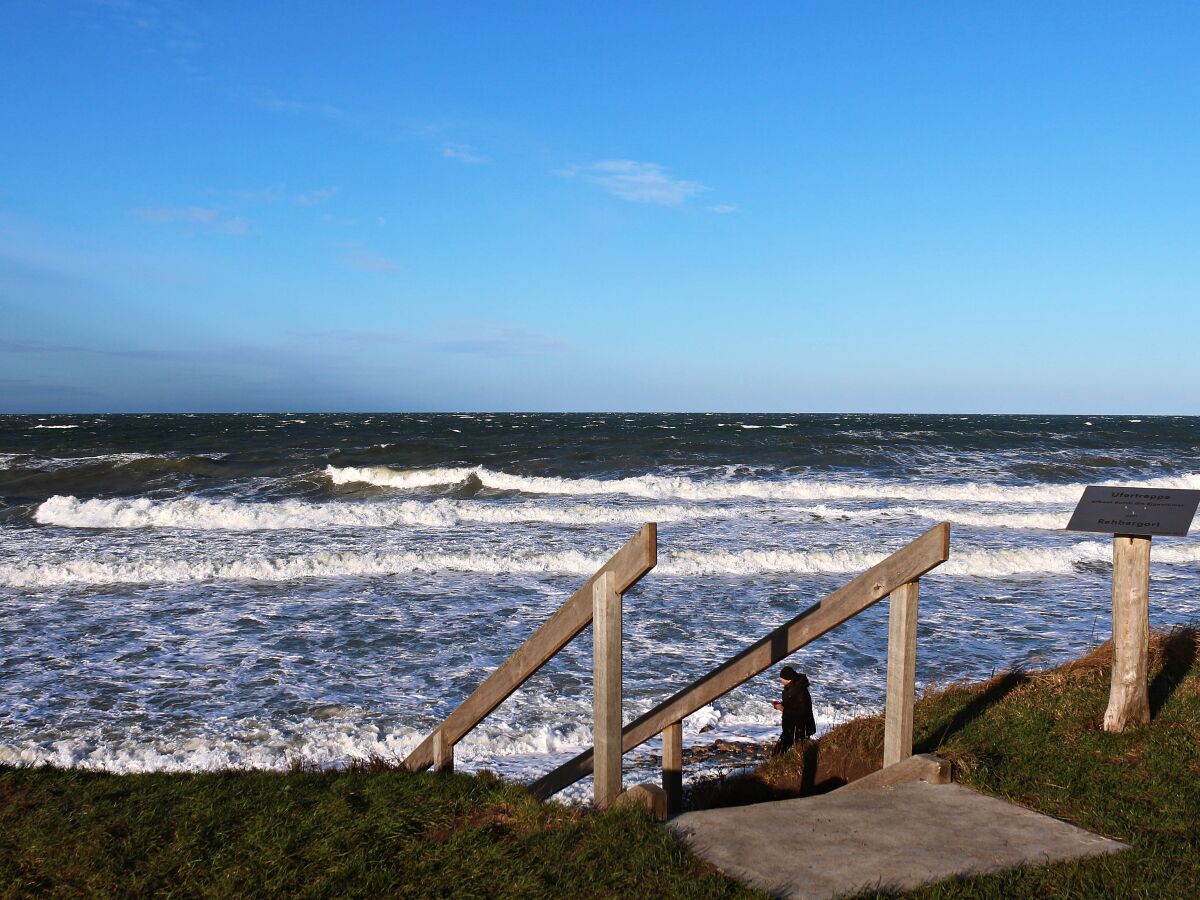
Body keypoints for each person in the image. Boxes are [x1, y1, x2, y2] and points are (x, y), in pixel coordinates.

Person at [771, 665, 816, 755]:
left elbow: (801, 711)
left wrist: (783, 709)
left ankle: (781, 766)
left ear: (788, 679)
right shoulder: (792, 687)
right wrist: (780, 705)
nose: (780, 680)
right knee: (783, 750)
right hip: (792, 727)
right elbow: (793, 704)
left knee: (778, 753)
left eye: (781, 678)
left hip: (798, 728)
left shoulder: (798, 690)